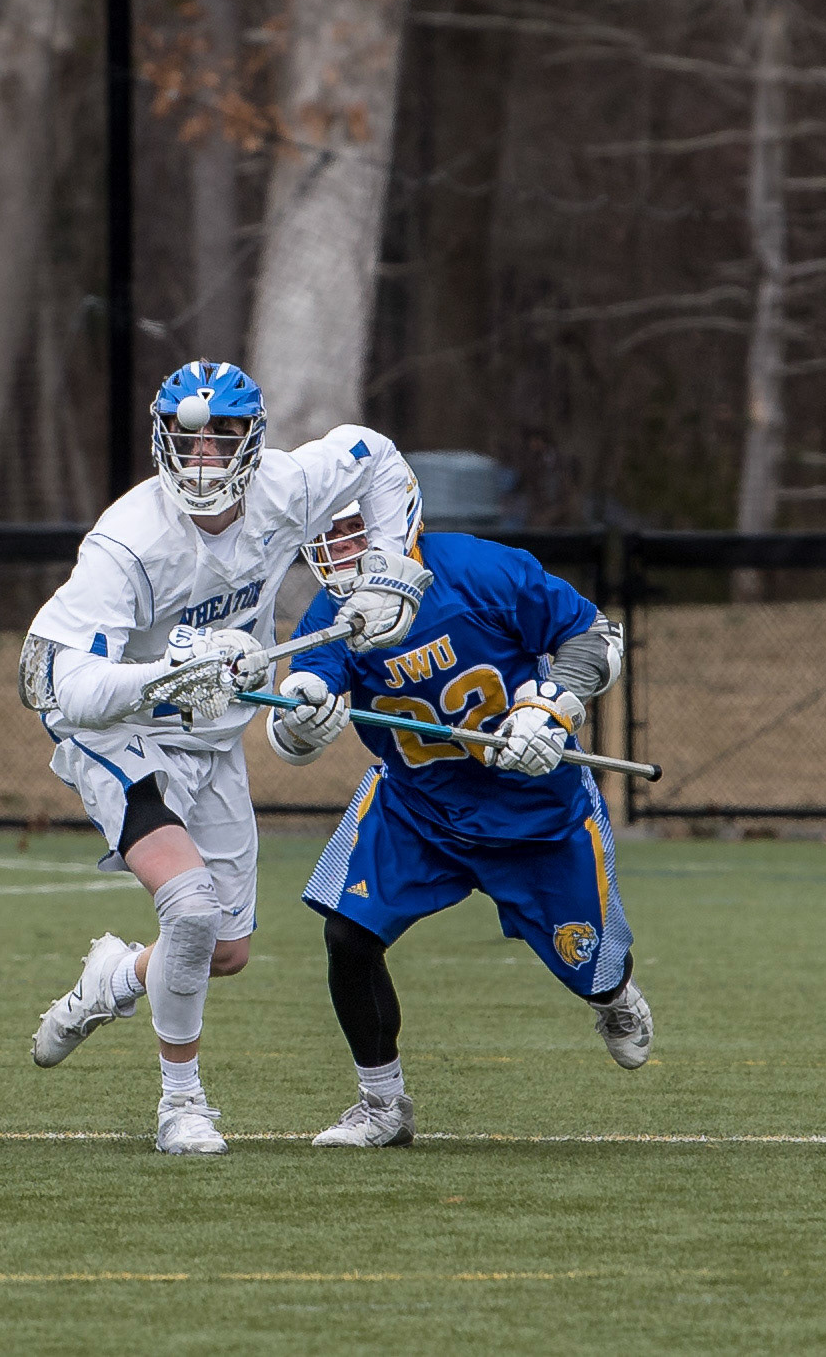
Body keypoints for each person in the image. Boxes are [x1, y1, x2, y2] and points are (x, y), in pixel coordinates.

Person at [19, 359, 432, 1155]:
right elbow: (58, 687)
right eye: (187, 440)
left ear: (253, 439)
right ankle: (182, 1105)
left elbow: (375, 455)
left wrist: (386, 570)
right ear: (161, 441)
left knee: (226, 951)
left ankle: (115, 978)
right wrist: (167, 676)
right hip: (121, 733)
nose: (203, 458)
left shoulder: (287, 487)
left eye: (223, 438)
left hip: (212, 738)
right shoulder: (128, 543)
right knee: (192, 910)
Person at [266, 484, 652, 1147]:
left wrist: (550, 708)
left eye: (354, 530)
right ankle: (382, 1105)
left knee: (588, 965)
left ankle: (613, 998)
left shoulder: (477, 570)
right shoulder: (333, 612)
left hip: (533, 814)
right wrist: (301, 715)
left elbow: (594, 637)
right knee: (347, 939)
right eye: (326, 534)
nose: (340, 551)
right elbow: (303, 713)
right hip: (417, 807)